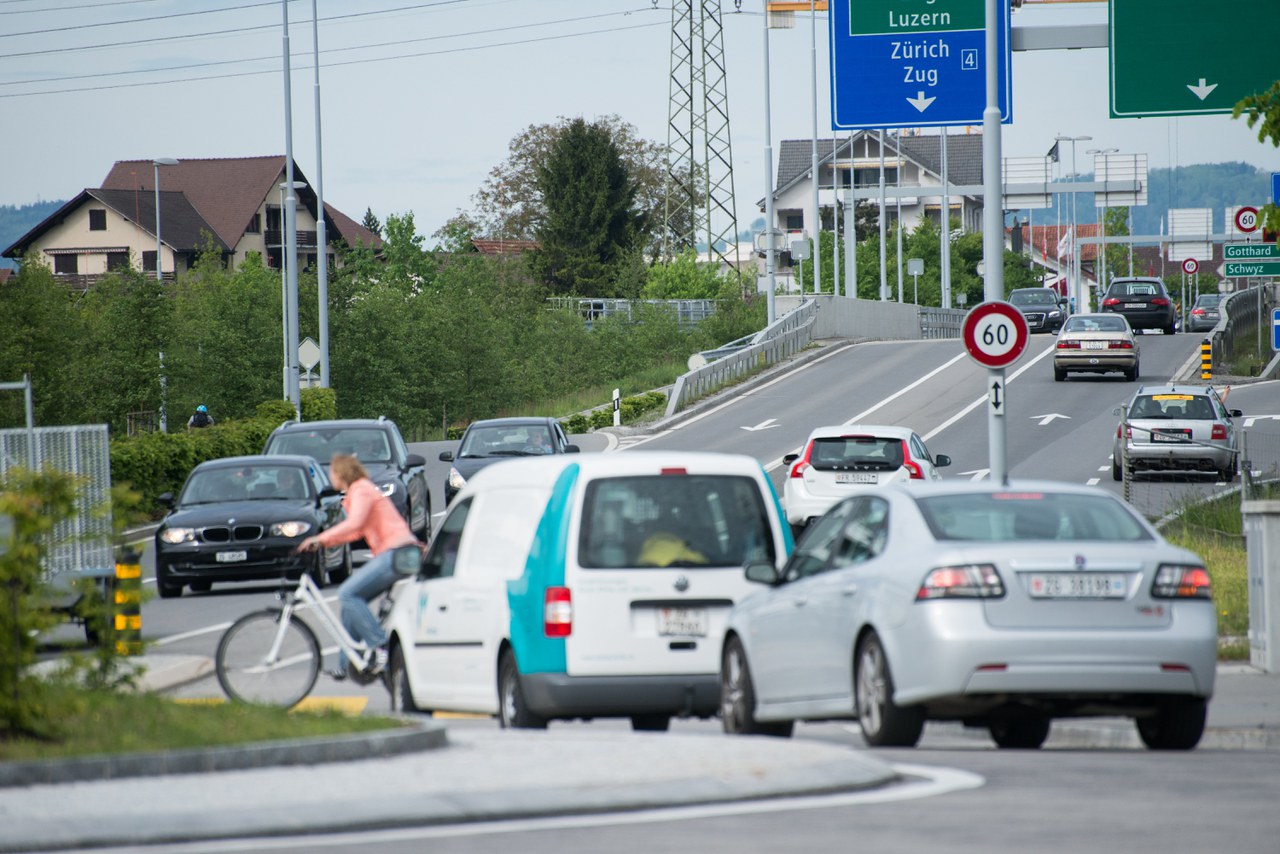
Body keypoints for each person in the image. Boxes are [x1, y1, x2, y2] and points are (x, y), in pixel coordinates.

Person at [296, 453, 421, 680]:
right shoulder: (359, 491)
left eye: (332, 472)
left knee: (347, 593)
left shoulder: (361, 489)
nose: (330, 477)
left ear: (341, 473)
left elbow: (355, 523)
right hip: (396, 553)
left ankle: (380, 645)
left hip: (397, 552)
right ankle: (348, 664)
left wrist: (320, 539)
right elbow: (354, 532)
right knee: (349, 606)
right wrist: (323, 542)